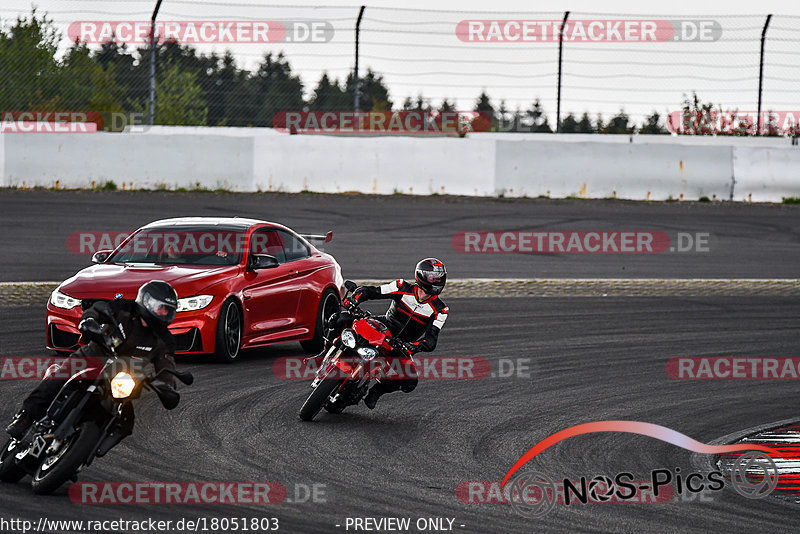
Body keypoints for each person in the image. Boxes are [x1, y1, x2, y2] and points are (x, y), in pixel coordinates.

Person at [5, 281, 180, 440]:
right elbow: (98, 310)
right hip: (94, 356)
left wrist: (167, 387)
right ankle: (24, 417)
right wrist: (89, 320)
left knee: (125, 423)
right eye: (160, 307)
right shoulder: (125, 307)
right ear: (146, 301)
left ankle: (85, 452)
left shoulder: (165, 339)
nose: (163, 313)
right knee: (59, 378)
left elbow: (167, 365)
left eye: (167, 310)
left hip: (122, 376)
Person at [339, 258, 449, 409]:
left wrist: (412, 347)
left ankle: (376, 391)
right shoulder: (401, 286)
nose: (437, 280)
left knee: (410, 382)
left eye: (439, 277)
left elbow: (430, 340)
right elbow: (370, 291)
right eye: (433, 277)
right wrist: (354, 300)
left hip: (401, 345)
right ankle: (324, 352)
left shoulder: (440, 310)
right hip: (384, 326)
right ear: (421, 276)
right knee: (341, 318)